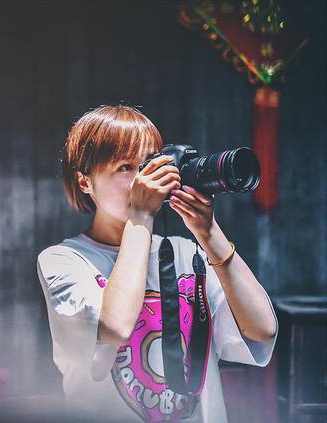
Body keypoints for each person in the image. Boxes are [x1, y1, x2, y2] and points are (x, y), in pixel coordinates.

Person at [36, 105, 278, 422]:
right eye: (126, 167)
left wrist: (209, 233)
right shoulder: (63, 261)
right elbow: (114, 327)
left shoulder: (185, 253)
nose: (144, 180)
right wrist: (140, 216)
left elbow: (262, 331)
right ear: (85, 181)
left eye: (150, 164)